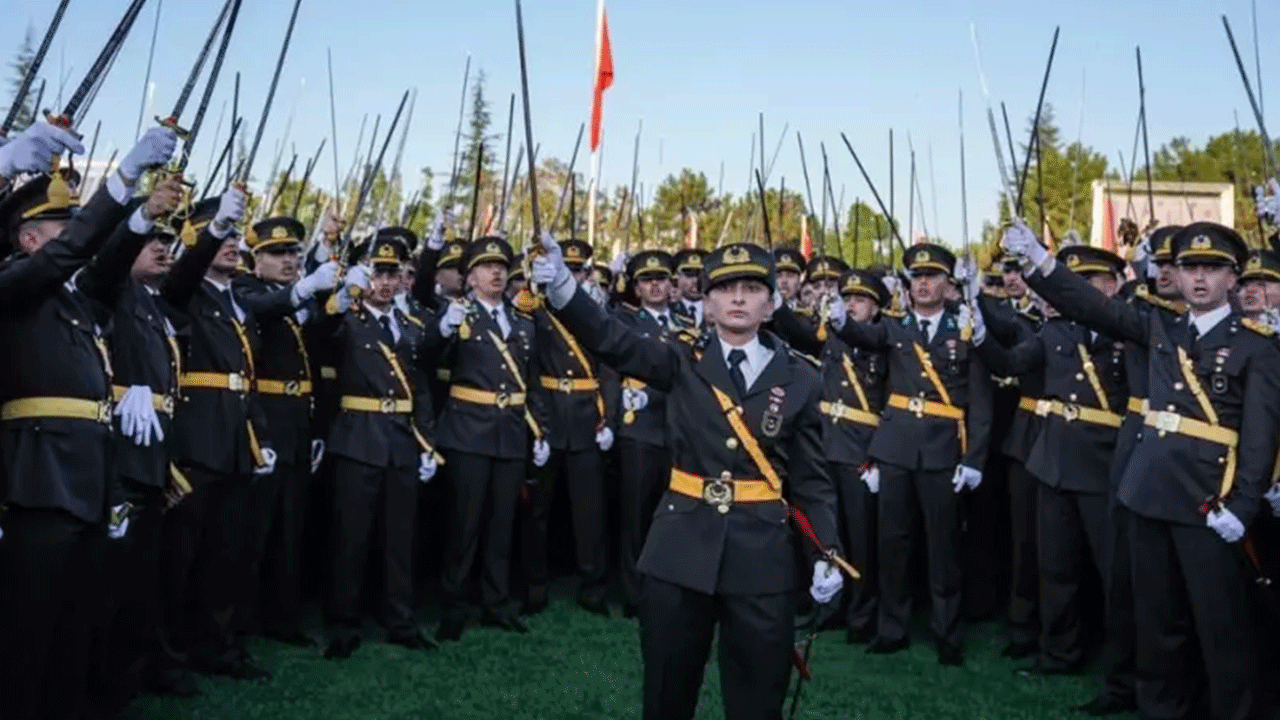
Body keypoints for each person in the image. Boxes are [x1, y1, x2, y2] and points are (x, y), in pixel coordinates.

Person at [532, 236, 843, 720]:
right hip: (680, 547)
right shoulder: (679, 357)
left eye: (750, 288)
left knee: (758, 699)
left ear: (771, 303)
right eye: (724, 289)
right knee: (666, 695)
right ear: (706, 304)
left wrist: (828, 550)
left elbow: (812, 480)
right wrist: (565, 291)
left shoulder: (801, 377)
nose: (737, 298)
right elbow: (613, 340)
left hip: (762, 553)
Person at [1004, 220, 1280, 720]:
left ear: (1233, 280)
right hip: (1148, 494)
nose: (1198, 279)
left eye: (1212, 269)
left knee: (1222, 627)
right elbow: (1093, 306)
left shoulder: (1256, 347)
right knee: (1158, 624)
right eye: (1189, 267)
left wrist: (1242, 504)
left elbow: (1259, 438)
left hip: (1209, 502)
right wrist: (1041, 263)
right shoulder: (1160, 327)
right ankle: (1161, 709)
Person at [0, 123, 176, 720]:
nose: (74, 237)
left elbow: (104, 262)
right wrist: (120, 177)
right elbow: (77, 251)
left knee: (78, 621)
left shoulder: (75, 300)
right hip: (40, 478)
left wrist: (141, 212)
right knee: (30, 631)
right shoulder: (14, 286)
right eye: (60, 227)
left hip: (90, 478)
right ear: (29, 240)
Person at [825, 243, 995, 666]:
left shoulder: (966, 328)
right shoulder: (896, 328)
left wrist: (974, 460)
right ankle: (891, 628)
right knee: (892, 544)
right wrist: (839, 318)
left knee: (944, 550)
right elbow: (862, 334)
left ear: (947, 283)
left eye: (932, 276)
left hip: (942, 451)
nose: (923, 283)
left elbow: (981, 402)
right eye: (916, 277)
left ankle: (947, 633)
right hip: (896, 448)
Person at [974, 245, 1129, 676]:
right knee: (1054, 568)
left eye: (1086, 284)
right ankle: (1059, 652)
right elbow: (1010, 361)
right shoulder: (1054, 332)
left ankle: (1122, 670)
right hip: (1053, 460)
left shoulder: (1127, 333)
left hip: (1105, 462)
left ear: (1111, 287)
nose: (1073, 293)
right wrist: (982, 333)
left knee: (1115, 573)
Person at [161, 185, 276, 681]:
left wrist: (260, 435)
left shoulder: (236, 301)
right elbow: (184, 272)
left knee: (225, 556)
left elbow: (246, 377)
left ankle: (217, 646)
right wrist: (213, 232)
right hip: (196, 439)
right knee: (179, 559)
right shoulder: (185, 290)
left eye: (234, 237)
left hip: (235, 441)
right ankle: (168, 658)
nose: (232, 245)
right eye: (220, 237)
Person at [421, 236, 546, 641]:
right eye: (486, 267)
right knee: (464, 525)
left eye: (501, 267)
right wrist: (444, 329)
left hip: (510, 431)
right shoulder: (456, 314)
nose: (496, 273)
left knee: (501, 526)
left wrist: (538, 428)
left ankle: (496, 603)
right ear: (469, 275)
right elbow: (423, 359)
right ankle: (453, 607)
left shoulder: (522, 319)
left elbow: (531, 380)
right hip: (468, 431)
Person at [322, 236, 439, 659]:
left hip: (401, 440)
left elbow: (420, 387)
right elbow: (320, 334)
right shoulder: (346, 320)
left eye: (392, 274)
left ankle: (401, 621)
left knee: (400, 538)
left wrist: (427, 441)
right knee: (351, 538)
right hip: (358, 436)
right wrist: (338, 293)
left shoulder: (410, 328)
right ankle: (343, 624)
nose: (385, 282)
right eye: (377, 273)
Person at [233, 216, 338, 645]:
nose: (289, 259)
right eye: (277, 253)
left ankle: (282, 617)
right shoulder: (246, 290)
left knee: (289, 530)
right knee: (253, 531)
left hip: (296, 420)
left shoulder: (295, 300)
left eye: (294, 252)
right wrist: (304, 289)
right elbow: (263, 309)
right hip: (264, 421)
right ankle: (240, 621)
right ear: (255, 259)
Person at [522, 238, 613, 617]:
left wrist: (607, 417)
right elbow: (525, 367)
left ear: (587, 274)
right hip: (548, 413)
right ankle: (534, 584)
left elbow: (609, 364)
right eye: (567, 269)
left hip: (585, 417)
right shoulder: (535, 309)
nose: (572, 275)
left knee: (589, 511)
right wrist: (535, 422)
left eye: (578, 270)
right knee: (537, 510)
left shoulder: (591, 311)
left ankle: (593, 586)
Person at [612, 249, 691, 618]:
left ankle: (666, 587)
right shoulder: (626, 321)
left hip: (676, 428)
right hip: (639, 426)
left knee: (671, 516)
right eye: (647, 280)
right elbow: (610, 369)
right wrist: (612, 418)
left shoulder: (686, 319)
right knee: (636, 516)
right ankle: (634, 592)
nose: (656, 285)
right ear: (636, 288)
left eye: (661, 278)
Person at [672, 248, 707, 327]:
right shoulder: (667, 310)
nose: (695, 281)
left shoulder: (718, 310)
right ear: (678, 276)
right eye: (689, 275)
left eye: (701, 276)